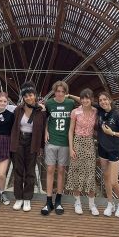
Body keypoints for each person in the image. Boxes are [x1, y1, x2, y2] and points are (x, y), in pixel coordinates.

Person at [10, 82, 46, 212]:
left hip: (33, 142)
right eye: (26, 96)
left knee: (30, 171)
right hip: (19, 141)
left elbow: (43, 130)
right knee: (18, 170)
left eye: (31, 95)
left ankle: (27, 199)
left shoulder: (41, 111)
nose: (29, 98)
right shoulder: (18, 110)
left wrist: (41, 147)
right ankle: (18, 198)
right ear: (23, 98)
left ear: (35, 95)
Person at [41, 81, 76, 216]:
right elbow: (44, 117)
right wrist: (45, 131)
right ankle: (48, 201)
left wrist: (71, 96)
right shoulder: (49, 103)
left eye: (63, 91)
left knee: (61, 171)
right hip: (52, 141)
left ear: (65, 92)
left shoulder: (70, 103)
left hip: (65, 143)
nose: (60, 93)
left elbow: (87, 103)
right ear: (54, 91)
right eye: (58, 91)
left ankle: (58, 201)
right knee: (50, 170)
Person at [65, 88, 99, 216]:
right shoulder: (75, 112)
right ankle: (77, 202)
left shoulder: (96, 111)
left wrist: (70, 95)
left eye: (87, 98)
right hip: (77, 142)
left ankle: (91, 204)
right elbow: (70, 130)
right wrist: (71, 148)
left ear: (91, 99)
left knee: (90, 172)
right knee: (76, 172)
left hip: (89, 143)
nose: (85, 100)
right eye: (83, 98)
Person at [96, 91, 119, 217]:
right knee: (106, 177)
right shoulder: (100, 110)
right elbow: (84, 100)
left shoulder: (117, 115)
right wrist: (69, 95)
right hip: (102, 148)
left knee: (114, 181)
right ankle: (110, 203)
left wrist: (113, 133)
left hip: (114, 150)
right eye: (100, 100)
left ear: (109, 100)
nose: (103, 102)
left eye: (105, 99)